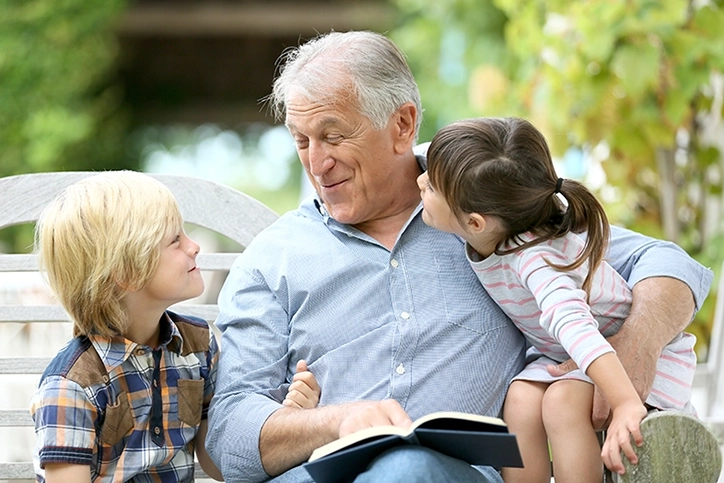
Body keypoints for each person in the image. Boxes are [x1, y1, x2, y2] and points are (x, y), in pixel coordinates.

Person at [206, 30, 712, 483]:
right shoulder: (274, 257)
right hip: (318, 475)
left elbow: (672, 266)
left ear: (403, 125)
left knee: (407, 470)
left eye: (334, 136)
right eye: (302, 141)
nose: (318, 162)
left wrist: (634, 346)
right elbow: (230, 435)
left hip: (450, 474)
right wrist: (336, 422)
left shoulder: (487, 210)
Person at [417, 117, 698, 482]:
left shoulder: (538, 261)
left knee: (562, 403)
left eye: (433, 186)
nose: (420, 180)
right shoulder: (498, 224)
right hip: (565, 357)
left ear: (474, 224)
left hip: (625, 363)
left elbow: (576, 328)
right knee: (519, 400)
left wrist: (625, 401)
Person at [28, 171, 319, 482]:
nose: (193, 246)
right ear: (128, 272)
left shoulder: (196, 346)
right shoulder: (72, 386)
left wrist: (289, 420)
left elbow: (217, 464)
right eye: (175, 240)